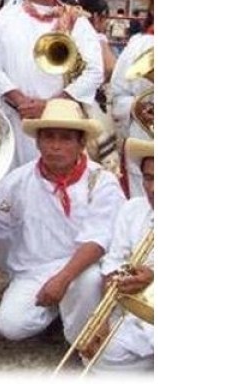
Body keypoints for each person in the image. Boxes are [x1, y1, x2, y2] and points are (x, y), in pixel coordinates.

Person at [0, 99, 125, 347]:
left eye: (65, 138)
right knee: (10, 326)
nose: (55, 147)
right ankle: (60, 311)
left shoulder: (102, 181)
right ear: (37, 141)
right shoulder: (17, 181)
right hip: (34, 271)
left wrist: (62, 280)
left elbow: (98, 241)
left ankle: (83, 341)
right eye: (48, 137)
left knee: (90, 280)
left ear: (81, 142)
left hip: (81, 269)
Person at [0, 0, 104, 170]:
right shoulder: (7, 17)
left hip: (59, 125)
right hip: (13, 116)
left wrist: (51, 106)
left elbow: (94, 71)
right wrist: (20, 101)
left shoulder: (75, 21)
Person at [83, 137, 154, 372]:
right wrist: (102, 319)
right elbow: (114, 263)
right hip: (141, 320)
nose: (153, 188)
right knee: (101, 356)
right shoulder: (133, 209)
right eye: (148, 177)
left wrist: (153, 280)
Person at [109, 0, 154, 199]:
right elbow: (118, 94)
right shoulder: (138, 45)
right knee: (142, 199)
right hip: (144, 133)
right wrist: (139, 107)